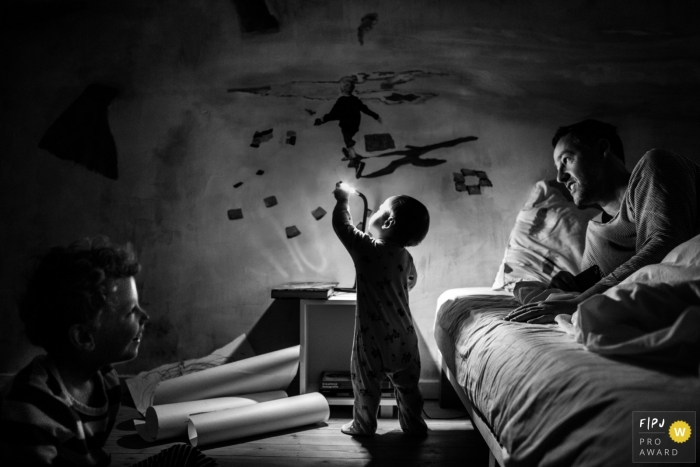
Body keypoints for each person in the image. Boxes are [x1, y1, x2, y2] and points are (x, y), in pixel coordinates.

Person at [506, 119, 700, 323]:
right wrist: (567, 287)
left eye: (566, 160)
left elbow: (665, 245)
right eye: (557, 166)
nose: (560, 177)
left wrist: (578, 303)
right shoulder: (595, 234)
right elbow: (600, 288)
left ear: (602, 149)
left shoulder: (657, 164)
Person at [0, 237, 149, 466]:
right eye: (131, 311)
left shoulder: (108, 382)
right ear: (84, 337)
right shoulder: (30, 410)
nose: (145, 316)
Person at [332, 183, 429, 437]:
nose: (373, 212)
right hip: (405, 335)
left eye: (379, 210)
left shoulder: (367, 248)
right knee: (408, 388)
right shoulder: (406, 257)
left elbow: (343, 227)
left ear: (387, 222)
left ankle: (363, 426)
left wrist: (342, 201)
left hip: (372, 337)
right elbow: (411, 282)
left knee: (366, 385)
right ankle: (414, 426)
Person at [315, 77, 382, 175]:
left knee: (348, 142)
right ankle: (351, 156)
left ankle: (354, 160)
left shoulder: (341, 101)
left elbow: (332, 115)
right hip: (355, 125)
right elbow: (365, 109)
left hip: (346, 126)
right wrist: (376, 116)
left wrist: (321, 120)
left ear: (342, 89)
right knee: (348, 140)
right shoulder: (355, 100)